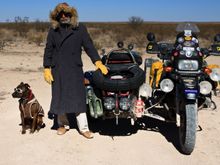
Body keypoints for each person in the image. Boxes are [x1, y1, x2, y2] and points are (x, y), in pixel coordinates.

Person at [43, 2, 108, 139]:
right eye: (61, 14)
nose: (64, 16)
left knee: (78, 98)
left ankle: (84, 128)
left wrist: (98, 62)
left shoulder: (80, 29)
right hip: (58, 69)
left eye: (67, 14)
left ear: (72, 15)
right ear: (57, 16)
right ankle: (62, 124)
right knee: (60, 97)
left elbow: (89, 46)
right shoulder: (53, 30)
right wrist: (46, 68)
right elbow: (48, 50)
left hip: (74, 69)